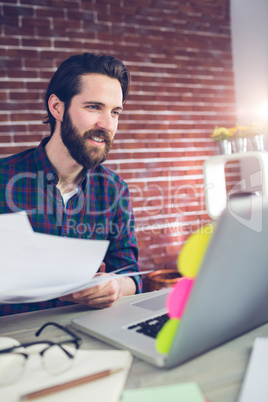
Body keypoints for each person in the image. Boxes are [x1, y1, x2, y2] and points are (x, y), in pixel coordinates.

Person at [0, 53, 142, 316]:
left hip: (85, 337)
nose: (107, 124)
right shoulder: (3, 178)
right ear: (57, 108)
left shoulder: (115, 189)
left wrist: (116, 286)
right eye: (93, 107)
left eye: (115, 112)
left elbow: (130, 273)